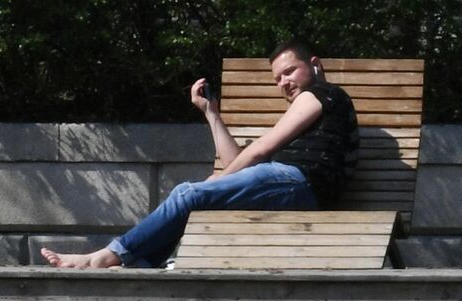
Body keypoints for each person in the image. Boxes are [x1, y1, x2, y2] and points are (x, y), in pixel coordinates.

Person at [43, 40, 358, 269]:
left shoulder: (322, 93)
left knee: (188, 194)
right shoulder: (312, 113)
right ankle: (137, 266)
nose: (284, 82)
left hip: (299, 185)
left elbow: (262, 149)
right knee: (197, 197)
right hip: (290, 187)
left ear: (315, 64)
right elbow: (244, 161)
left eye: (290, 71)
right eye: (277, 78)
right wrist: (211, 113)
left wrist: (220, 178)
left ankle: (104, 257)